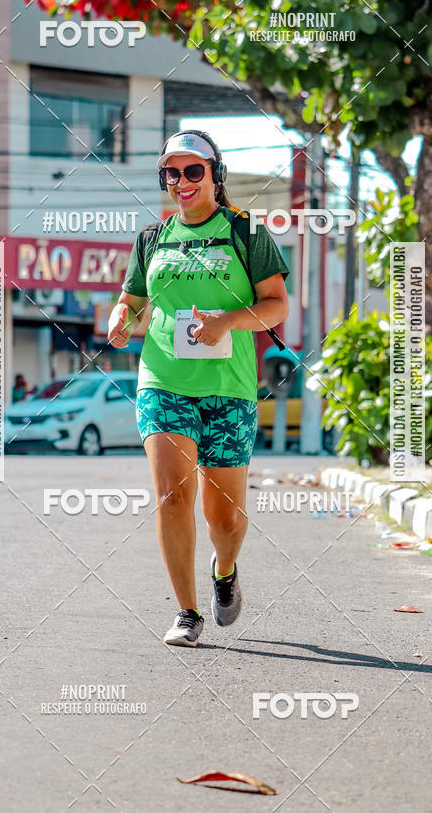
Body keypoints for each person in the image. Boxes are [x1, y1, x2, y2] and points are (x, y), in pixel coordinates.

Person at [108, 130, 289, 647]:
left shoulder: (245, 232)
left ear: (215, 175)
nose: (181, 181)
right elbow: (133, 301)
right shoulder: (152, 238)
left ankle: (224, 569)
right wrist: (121, 319)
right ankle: (186, 612)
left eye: (193, 171)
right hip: (163, 381)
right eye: (172, 172)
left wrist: (228, 320)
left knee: (224, 517)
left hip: (230, 390)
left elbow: (276, 305)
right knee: (172, 495)